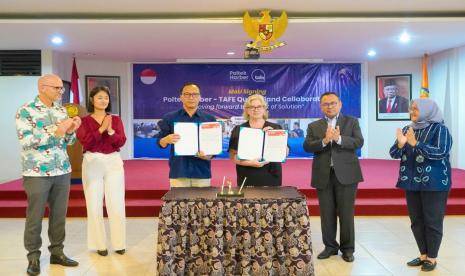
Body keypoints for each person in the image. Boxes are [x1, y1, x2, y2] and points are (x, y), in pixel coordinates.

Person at [15, 74, 80, 276]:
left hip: (61, 169)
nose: (61, 92)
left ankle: (57, 252)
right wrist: (57, 130)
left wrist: (71, 130)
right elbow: (26, 141)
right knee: (35, 216)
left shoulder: (61, 110)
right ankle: (33, 256)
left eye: (61, 88)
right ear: (42, 87)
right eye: (57, 88)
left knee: (59, 215)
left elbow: (69, 142)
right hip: (37, 172)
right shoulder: (26, 111)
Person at [389, 98, 452, 272]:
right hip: (411, 181)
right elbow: (393, 153)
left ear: (427, 110)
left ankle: (432, 257)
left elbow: (441, 152)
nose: (412, 112)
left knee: (432, 221)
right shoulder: (407, 129)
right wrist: (401, 144)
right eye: (411, 109)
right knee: (416, 220)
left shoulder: (440, 129)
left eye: (416, 109)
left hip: (435, 182)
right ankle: (423, 254)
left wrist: (417, 144)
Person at [303, 92, 364, 262]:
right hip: (323, 175)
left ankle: (348, 249)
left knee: (346, 213)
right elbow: (307, 146)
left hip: (347, 175)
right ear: (321, 106)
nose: (329, 106)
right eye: (325, 104)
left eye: (333, 103)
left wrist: (339, 139)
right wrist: (324, 140)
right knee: (327, 213)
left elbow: (359, 142)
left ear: (340, 104)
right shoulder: (314, 125)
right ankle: (330, 247)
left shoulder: (351, 121)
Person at [76, 86, 127, 256]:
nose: (103, 100)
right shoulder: (83, 121)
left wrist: (110, 130)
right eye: (99, 97)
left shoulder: (116, 120)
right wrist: (101, 129)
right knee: (94, 204)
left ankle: (119, 244)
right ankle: (100, 245)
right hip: (92, 161)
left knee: (117, 203)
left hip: (113, 161)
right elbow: (87, 142)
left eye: (106, 97)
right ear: (92, 100)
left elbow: (120, 142)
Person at [157, 83, 216, 187]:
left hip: (201, 172)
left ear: (200, 97)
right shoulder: (169, 118)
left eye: (194, 94)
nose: (191, 97)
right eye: (187, 94)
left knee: (201, 203)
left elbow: (214, 148)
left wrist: (207, 155)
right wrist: (166, 140)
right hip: (179, 171)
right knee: (178, 203)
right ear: (181, 97)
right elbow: (159, 142)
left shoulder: (209, 119)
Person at [229, 94, 287, 187]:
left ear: (264, 109)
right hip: (246, 174)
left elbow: (285, 152)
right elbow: (233, 156)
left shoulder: (275, 128)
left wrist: (274, 137)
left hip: (271, 174)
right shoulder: (239, 129)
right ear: (247, 110)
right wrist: (250, 163)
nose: (256, 109)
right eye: (252, 107)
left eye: (259, 106)